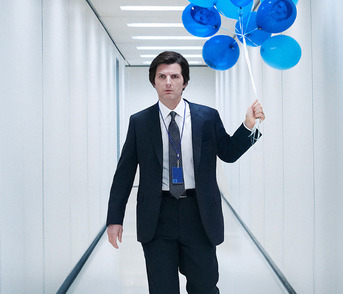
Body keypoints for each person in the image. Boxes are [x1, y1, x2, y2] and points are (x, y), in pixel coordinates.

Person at [105, 51, 265, 294]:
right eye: (162, 76)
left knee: (204, 286)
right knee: (162, 288)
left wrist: (248, 126)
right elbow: (124, 173)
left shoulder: (207, 117)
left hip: (198, 213)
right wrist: (114, 218)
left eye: (175, 76)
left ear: (185, 82)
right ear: (154, 82)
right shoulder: (140, 122)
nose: (168, 82)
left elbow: (228, 153)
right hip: (157, 215)